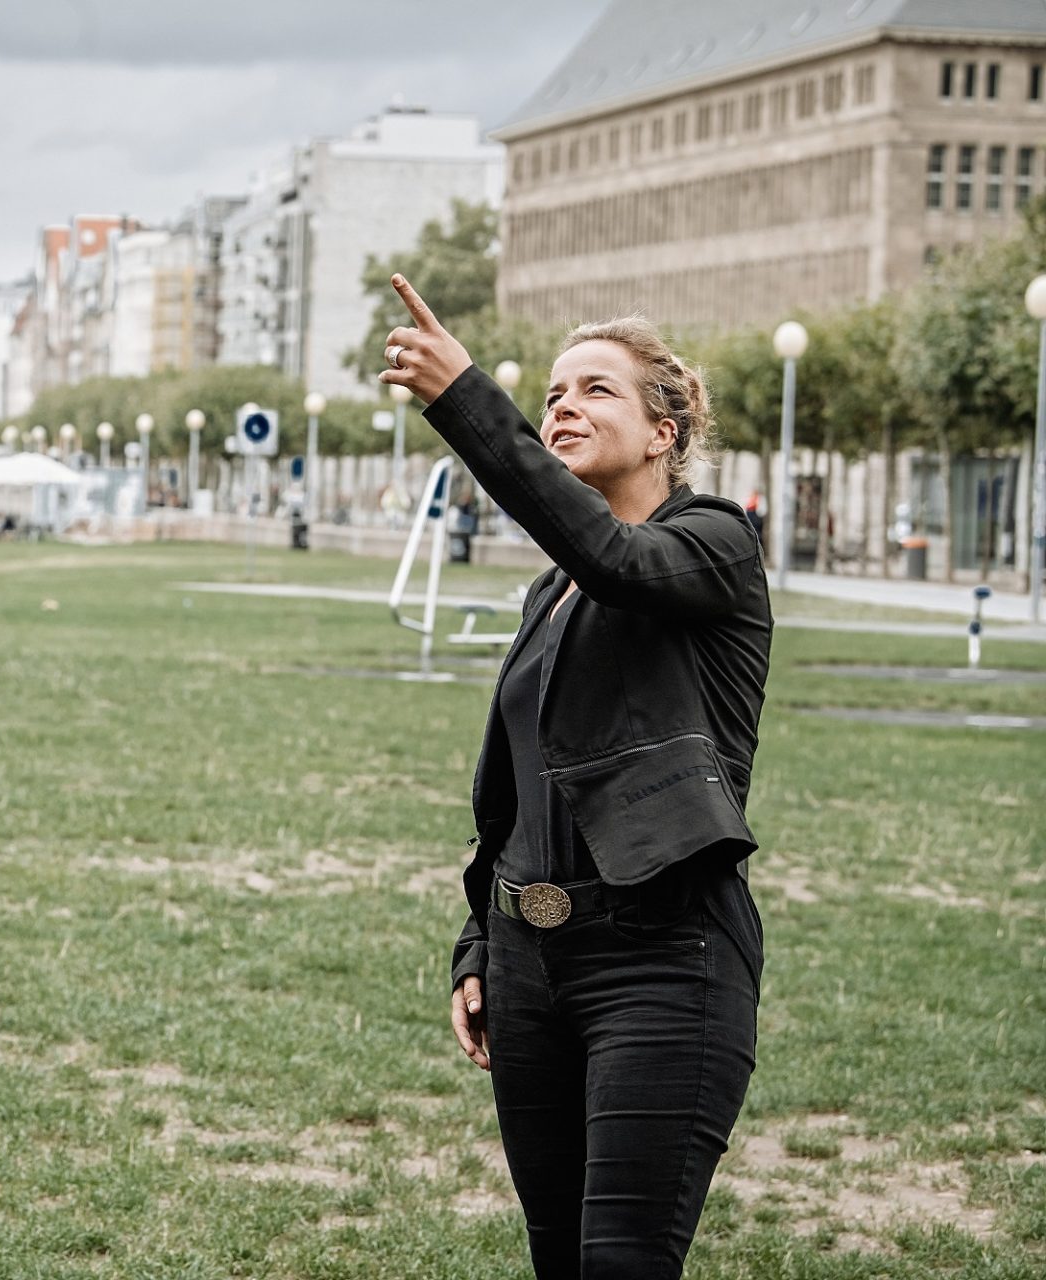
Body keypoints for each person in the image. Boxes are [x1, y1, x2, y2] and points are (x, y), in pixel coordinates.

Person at [379, 277, 769, 1279]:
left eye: (596, 389)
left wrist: (465, 396)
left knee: (621, 1260)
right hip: (530, 963)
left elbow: (613, 557)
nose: (563, 406)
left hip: (662, 958)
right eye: (551, 391)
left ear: (664, 431)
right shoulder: (551, 588)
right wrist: (481, 938)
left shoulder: (715, 544)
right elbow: (517, 793)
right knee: (561, 1257)